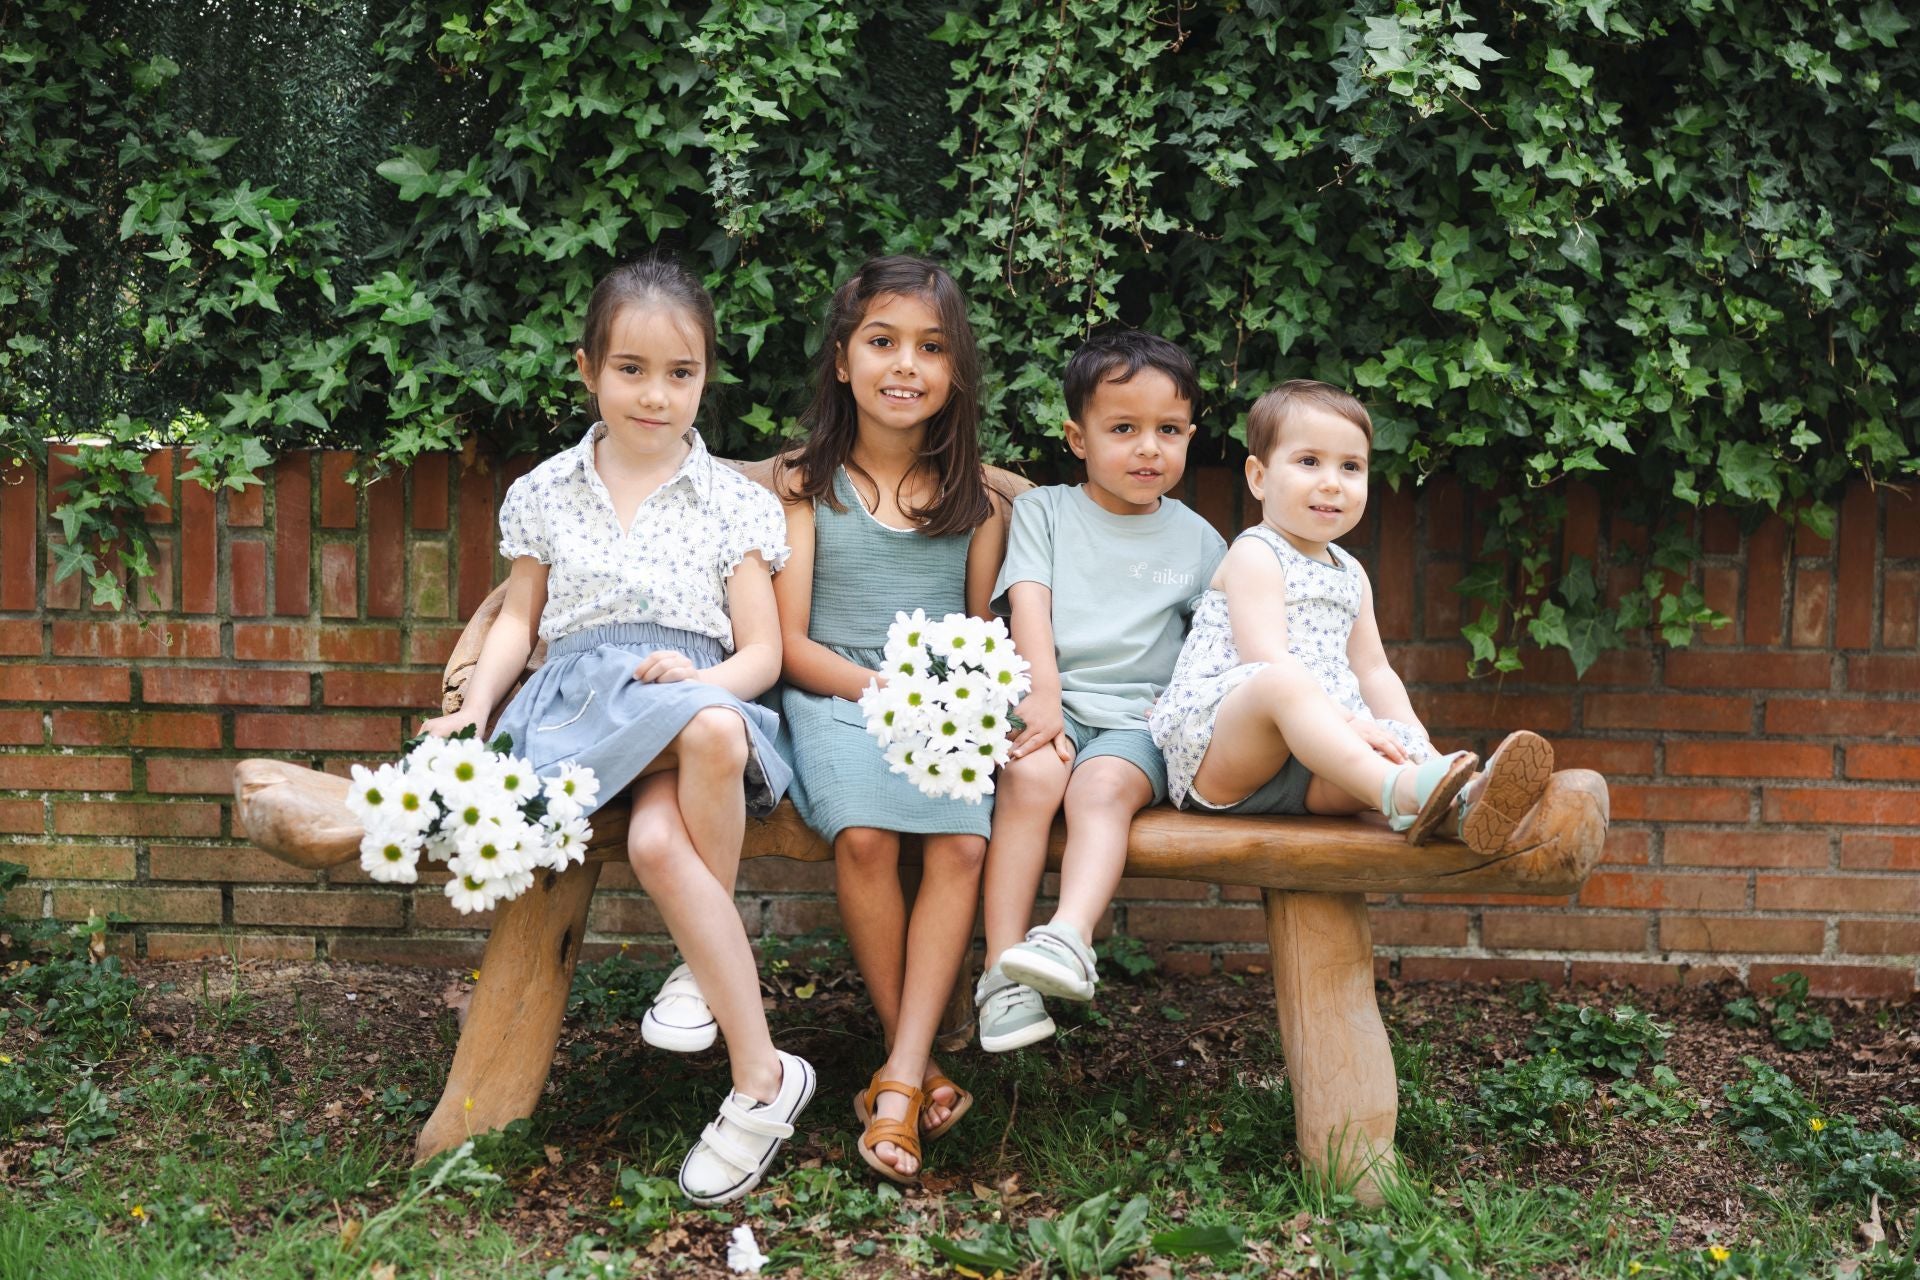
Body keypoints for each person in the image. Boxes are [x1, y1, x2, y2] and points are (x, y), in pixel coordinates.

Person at [421, 255, 813, 1206]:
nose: (656, 394)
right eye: (631, 369)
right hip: (583, 708)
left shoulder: (733, 502)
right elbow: (521, 619)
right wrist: (475, 701)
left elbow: (762, 653)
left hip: (693, 694)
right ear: (587, 368)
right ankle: (762, 1072)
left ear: (706, 379)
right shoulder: (547, 491)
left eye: (681, 373)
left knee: (715, 734)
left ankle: (703, 978)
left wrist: (704, 678)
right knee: (649, 833)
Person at [773, 255, 1010, 1184]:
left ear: (955, 374)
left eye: (931, 347)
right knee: (866, 838)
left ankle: (901, 1077)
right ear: (843, 361)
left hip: (941, 712)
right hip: (833, 698)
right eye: (882, 342)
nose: (905, 365)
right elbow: (788, 641)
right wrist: (882, 694)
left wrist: (957, 704)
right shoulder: (805, 485)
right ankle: (911, 1064)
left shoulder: (977, 500)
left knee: (960, 846)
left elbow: (983, 630)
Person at [1150, 379, 1553, 847]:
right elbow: (1264, 657)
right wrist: (1345, 721)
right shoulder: (1256, 553)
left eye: (1350, 466)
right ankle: (1402, 790)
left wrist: (1419, 745)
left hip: (1314, 769)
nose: (1331, 482)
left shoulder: (1352, 573)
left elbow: (1375, 671)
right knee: (1282, 682)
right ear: (1258, 477)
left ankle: (1454, 805)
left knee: (1390, 750)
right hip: (1224, 756)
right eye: (1308, 461)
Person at [975, 331, 1227, 1052]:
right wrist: (1043, 695)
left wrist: (1181, 709)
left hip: (1134, 726)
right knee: (1030, 775)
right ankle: (1001, 974)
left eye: (1168, 431)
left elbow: (1217, 644)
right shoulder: (1046, 512)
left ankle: (1068, 938)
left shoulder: (1202, 542)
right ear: (1077, 438)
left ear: (1189, 438)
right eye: (1124, 429)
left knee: (1100, 791)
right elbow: (1028, 602)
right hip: (1049, 703)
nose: (1149, 448)